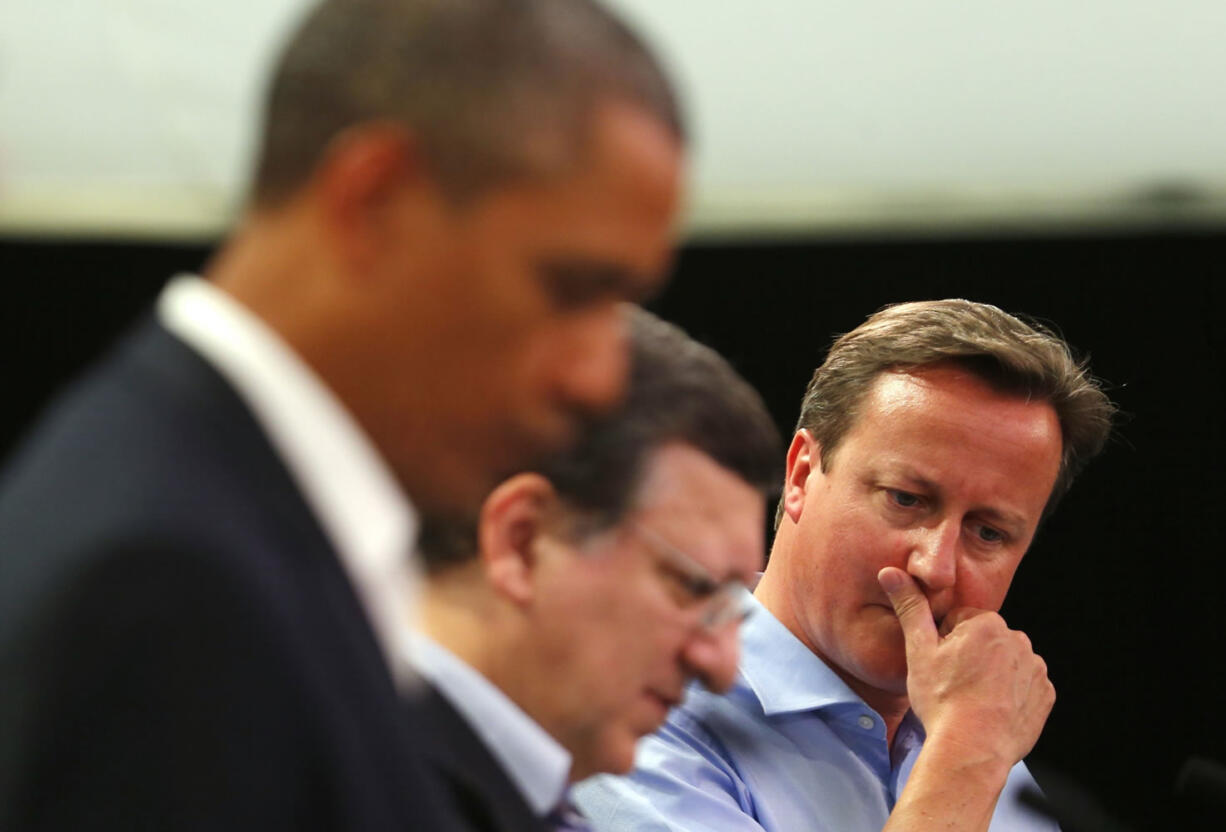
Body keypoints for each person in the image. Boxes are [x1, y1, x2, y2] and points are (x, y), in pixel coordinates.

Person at [0, 0, 684, 828]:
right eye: (572, 289)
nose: (601, 379)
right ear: (373, 198)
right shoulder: (166, 588)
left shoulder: (223, 520)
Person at [575, 299, 1116, 832]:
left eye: (989, 532)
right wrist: (962, 763)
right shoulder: (635, 724)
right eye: (906, 499)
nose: (935, 567)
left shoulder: (977, 737)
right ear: (801, 475)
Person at [411, 308, 782, 831]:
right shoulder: (325, 785)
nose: (721, 666)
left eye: (732, 609)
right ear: (523, 542)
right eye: (694, 588)